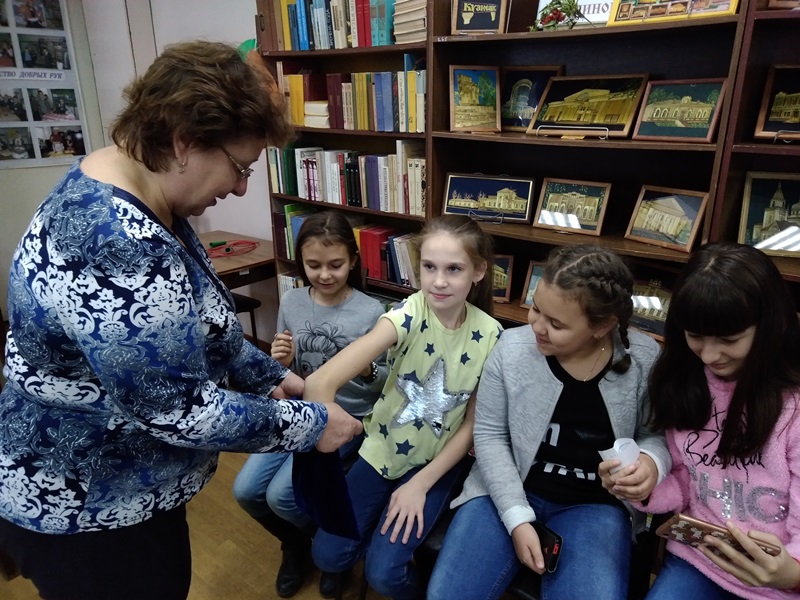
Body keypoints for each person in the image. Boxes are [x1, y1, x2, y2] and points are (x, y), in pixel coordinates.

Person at [0, 41, 361, 600]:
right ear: (185, 141)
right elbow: (178, 409)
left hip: (119, 489)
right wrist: (310, 424)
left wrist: (271, 377)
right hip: (90, 506)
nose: (240, 187)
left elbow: (199, 329)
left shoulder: (139, 186)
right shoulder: (117, 242)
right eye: (240, 167)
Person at [427, 244, 670, 600]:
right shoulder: (510, 349)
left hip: (594, 505)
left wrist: (651, 463)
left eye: (556, 324)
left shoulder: (644, 360)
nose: (537, 326)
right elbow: (490, 436)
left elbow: (655, 436)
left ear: (602, 326)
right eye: (536, 308)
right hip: (504, 489)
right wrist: (516, 517)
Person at [305, 214, 503, 600]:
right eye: (429, 267)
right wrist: (323, 445)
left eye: (454, 269)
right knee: (327, 555)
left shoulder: (491, 335)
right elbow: (318, 383)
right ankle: (373, 532)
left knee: (384, 575)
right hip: (382, 449)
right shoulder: (409, 312)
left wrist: (419, 484)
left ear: (478, 271)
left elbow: (471, 427)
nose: (438, 281)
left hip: (436, 464)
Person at [233, 210, 388, 598]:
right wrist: (281, 361)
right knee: (246, 491)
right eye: (313, 265)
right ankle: (297, 544)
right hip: (299, 410)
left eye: (335, 265)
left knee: (281, 496)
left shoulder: (372, 311)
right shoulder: (292, 300)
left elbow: (384, 384)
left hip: (344, 416)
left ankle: (329, 551)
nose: (324, 275)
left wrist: (367, 368)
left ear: (353, 261)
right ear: (300, 262)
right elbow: (286, 371)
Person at [637, 242, 800, 600]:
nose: (709, 355)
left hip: (780, 580)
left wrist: (793, 572)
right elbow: (686, 478)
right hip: (701, 561)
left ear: (770, 326)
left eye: (729, 339)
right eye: (695, 336)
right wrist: (645, 487)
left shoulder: (793, 405)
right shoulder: (683, 381)